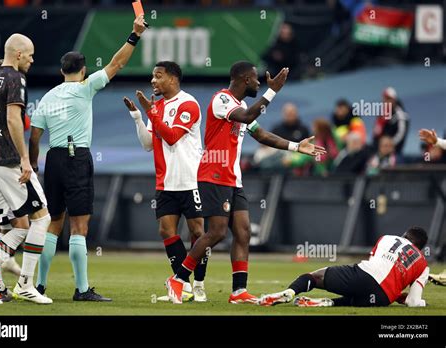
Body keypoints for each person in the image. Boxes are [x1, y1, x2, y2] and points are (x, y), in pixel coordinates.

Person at [165, 61, 326, 304]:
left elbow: (261, 134)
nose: (260, 83)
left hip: (233, 178)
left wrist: (295, 147)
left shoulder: (241, 105)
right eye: (256, 79)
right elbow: (249, 115)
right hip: (214, 175)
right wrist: (273, 91)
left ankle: (238, 291)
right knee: (216, 233)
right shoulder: (222, 100)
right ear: (245, 80)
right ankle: (178, 279)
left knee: (243, 232)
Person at [29, 15, 147, 301]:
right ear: (82, 70)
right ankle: (81, 290)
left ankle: (39, 286)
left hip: (52, 160)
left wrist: (33, 165)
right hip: (76, 157)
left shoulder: (47, 97)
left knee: (52, 223)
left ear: (61, 71)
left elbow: (34, 137)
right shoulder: (85, 88)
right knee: (79, 226)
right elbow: (117, 63)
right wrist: (135, 35)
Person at [0, 33, 52, 305]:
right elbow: (13, 118)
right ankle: (26, 284)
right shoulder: (15, 78)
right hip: (7, 160)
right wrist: (24, 159)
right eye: (29, 54)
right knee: (42, 217)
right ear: (18, 54)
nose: (32, 59)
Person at [123, 61, 208, 302]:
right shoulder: (156, 107)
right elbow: (149, 144)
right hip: (165, 182)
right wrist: (139, 117)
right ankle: (184, 286)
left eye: (158, 76)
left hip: (190, 179)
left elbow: (171, 137)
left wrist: (151, 112)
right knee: (166, 230)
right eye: (152, 76)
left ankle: (199, 284)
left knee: (198, 232)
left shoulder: (188, 103)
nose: (153, 81)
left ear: (172, 79)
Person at [259, 226, 429, 307]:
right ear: (420, 248)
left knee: (316, 276)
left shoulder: (387, 238)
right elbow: (413, 302)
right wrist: (419, 302)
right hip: (382, 299)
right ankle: (328, 303)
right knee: (359, 297)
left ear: (404, 235)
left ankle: (289, 292)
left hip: (363, 276)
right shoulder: (423, 264)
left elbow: (376, 268)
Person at [372, 87, 409, 154]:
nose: (386, 101)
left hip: (395, 152)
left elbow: (400, 134)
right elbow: (376, 132)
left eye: (388, 99)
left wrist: (388, 145)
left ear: (394, 100)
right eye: (384, 99)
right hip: (379, 151)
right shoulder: (382, 114)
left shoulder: (401, 115)